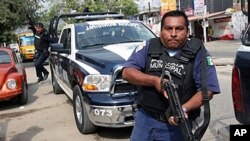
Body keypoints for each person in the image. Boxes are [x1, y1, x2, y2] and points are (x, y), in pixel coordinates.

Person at [122, 10, 220, 141]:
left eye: (179, 29)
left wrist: (183, 109)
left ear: (187, 31)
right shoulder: (149, 46)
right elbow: (127, 72)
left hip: (176, 124)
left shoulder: (199, 53)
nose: (173, 34)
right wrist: (154, 81)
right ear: (161, 30)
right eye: (168, 28)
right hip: (145, 120)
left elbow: (208, 90)